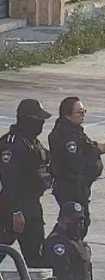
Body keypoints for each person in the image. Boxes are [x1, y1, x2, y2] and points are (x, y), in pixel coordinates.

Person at [0, 99, 53, 267]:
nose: (42, 124)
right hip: (11, 207)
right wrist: (15, 212)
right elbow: (9, 181)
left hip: (32, 205)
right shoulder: (12, 144)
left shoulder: (33, 142)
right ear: (27, 120)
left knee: (37, 257)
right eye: (39, 120)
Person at [49, 97, 105, 237]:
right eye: (79, 112)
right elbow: (75, 163)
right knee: (73, 223)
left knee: (80, 222)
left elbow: (86, 145)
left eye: (84, 111)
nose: (83, 115)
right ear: (67, 114)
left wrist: (98, 149)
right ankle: (58, 248)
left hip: (80, 187)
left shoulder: (75, 132)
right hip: (71, 187)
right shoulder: (66, 136)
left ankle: (70, 250)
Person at [45, 201, 93, 280]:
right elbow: (63, 277)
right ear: (61, 220)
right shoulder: (57, 243)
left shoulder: (75, 240)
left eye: (80, 221)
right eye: (73, 221)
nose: (78, 224)